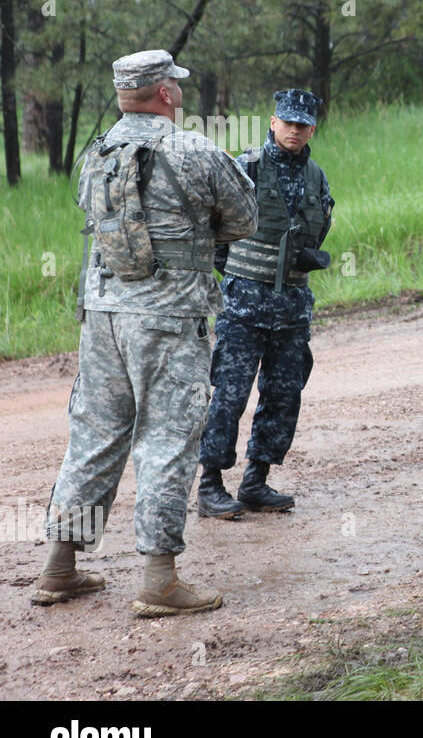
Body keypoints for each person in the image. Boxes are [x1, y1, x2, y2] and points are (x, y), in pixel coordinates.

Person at [33, 49, 257, 615]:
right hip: (167, 317)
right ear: (165, 93)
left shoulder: (97, 152)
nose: (180, 91)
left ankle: (60, 566)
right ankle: (158, 580)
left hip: (103, 313)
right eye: (175, 85)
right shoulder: (194, 150)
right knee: (166, 436)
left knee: (95, 434)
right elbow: (244, 219)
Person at [197, 89, 334, 518]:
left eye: (302, 124)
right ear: (273, 122)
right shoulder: (245, 168)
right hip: (244, 306)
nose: (294, 130)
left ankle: (256, 480)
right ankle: (210, 484)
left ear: (312, 129)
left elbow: (319, 230)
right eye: (287, 122)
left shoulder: (317, 177)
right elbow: (214, 234)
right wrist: (240, 275)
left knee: (283, 393)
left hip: (292, 308)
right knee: (230, 394)